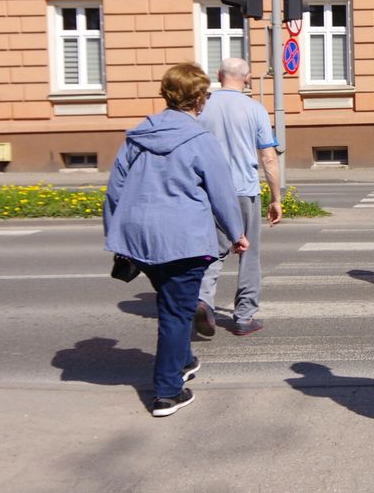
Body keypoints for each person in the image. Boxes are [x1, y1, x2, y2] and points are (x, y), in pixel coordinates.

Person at [104, 62, 249, 417]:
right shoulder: (200, 141)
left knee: (173, 304)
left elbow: (114, 192)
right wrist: (237, 233)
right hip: (184, 239)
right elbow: (222, 193)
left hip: (141, 240)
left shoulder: (137, 137)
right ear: (199, 99)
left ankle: (183, 359)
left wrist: (116, 236)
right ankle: (167, 392)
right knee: (174, 313)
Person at [194, 58, 282, 337]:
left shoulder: (201, 107)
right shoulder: (255, 109)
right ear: (247, 79)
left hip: (209, 190)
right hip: (244, 191)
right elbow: (268, 157)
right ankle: (243, 317)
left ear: (218, 76)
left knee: (213, 252)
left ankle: (203, 301)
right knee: (249, 254)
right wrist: (275, 198)